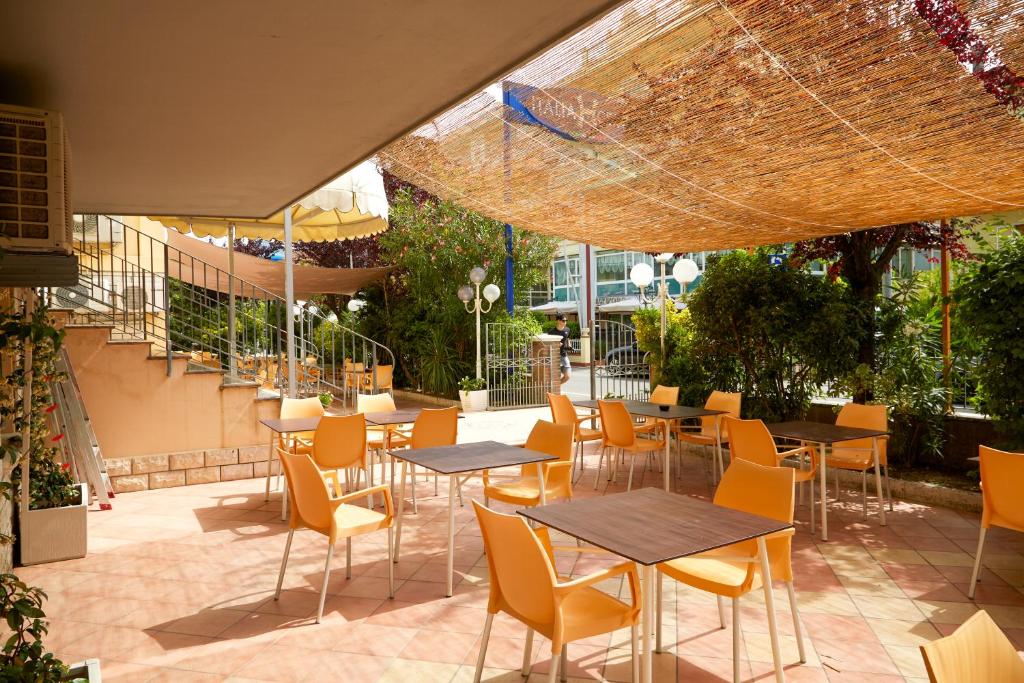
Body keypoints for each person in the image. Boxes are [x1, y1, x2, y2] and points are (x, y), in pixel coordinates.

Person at [553, 314, 572, 385]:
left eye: (566, 320)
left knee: (568, 376)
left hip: (563, 354)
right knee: (555, 375)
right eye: (563, 320)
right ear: (558, 321)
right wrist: (556, 345)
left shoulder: (567, 329)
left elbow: (568, 338)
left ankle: (556, 386)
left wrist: (569, 344)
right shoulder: (552, 332)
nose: (565, 322)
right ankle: (555, 389)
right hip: (554, 356)